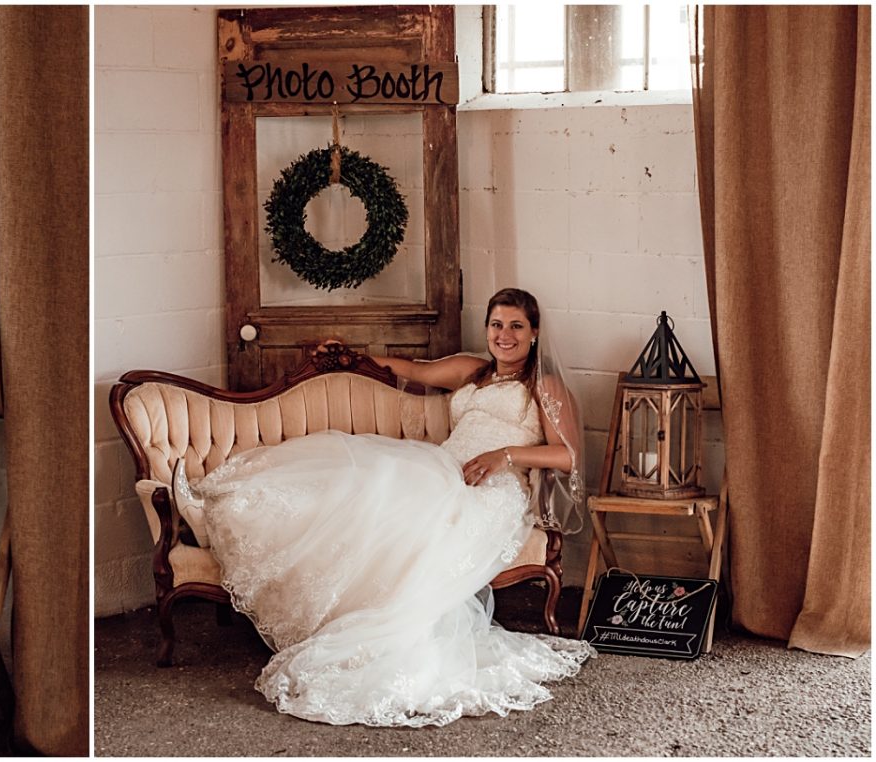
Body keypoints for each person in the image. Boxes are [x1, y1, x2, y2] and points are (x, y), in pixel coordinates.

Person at [170, 287, 594, 727]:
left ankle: (222, 516)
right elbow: (404, 368)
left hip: (495, 487)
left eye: (516, 326)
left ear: (534, 332)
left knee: (397, 500)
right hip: (444, 467)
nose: (504, 336)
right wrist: (347, 354)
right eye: (496, 325)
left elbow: (568, 455)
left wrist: (504, 455)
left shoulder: (543, 385)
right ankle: (219, 508)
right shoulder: (473, 370)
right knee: (359, 480)